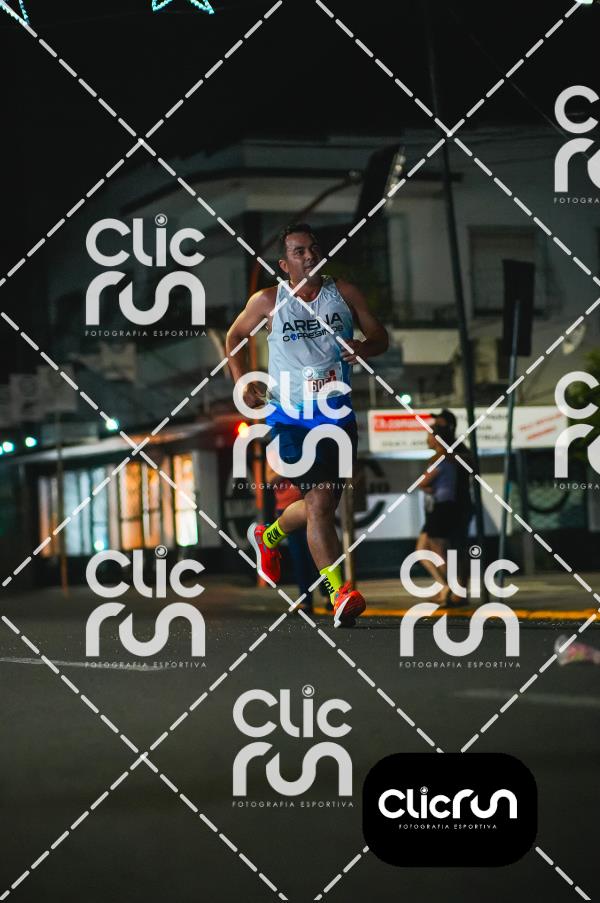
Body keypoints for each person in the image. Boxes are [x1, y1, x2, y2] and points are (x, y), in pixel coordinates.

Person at [225, 223, 388, 626]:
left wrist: (365, 347)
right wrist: (242, 382)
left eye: (313, 248)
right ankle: (338, 593)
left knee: (323, 505)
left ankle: (269, 536)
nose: (309, 256)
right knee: (318, 502)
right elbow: (235, 336)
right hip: (290, 416)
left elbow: (380, 336)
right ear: (285, 264)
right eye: (298, 252)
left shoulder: (344, 293)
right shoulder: (269, 300)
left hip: (336, 413)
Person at [416, 410, 474, 605]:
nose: (435, 428)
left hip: (457, 504)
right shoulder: (442, 453)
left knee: (457, 547)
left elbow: (472, 463)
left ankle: (458, 591)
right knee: (441, 547)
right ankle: (449, 589)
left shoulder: (455, 448)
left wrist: (451, 456)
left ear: (448, 427)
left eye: (439, 424)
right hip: (443, 505)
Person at [266, 461, 319, 614]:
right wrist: (288, 467)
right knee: (299, 557)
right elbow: (269, 480)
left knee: (316, 554)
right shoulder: (274, 454)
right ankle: (306, 600)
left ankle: (330, 596)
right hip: (285, 508)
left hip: (309, 502)